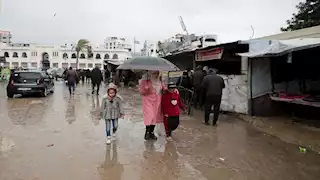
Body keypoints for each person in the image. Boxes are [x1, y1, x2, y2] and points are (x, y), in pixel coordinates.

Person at [138, 71, 167, 140]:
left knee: (154, 117)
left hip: (157, 101)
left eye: (157, 73)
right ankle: (147, 133)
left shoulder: (159, 81)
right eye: (154, 73)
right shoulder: (145, 81)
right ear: (150, 73)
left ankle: (151, 133)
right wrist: (145, 88)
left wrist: (173, 90)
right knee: (149, 116)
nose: (156, 75)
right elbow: (141, 92)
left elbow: (165, 88)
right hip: (148, 101)